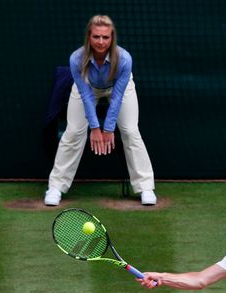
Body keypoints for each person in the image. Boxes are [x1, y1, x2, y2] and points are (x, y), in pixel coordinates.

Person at [44, 15, 157, 206]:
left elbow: (118, 97)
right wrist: (95, 128)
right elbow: (86, 96)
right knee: (74, 131)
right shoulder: (76, 59)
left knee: (130, 130)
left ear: (112, 38)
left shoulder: (124, 59)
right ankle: (56, 187)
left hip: (119, 88)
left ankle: (145, 187)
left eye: (105, 37)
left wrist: (109, 129)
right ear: (89, 37)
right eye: (96, 36)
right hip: (87, 87)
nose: (101, 41)